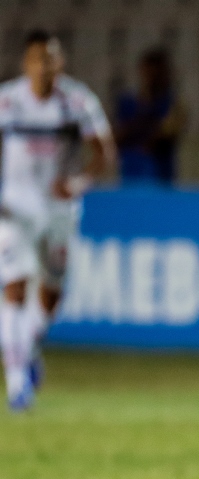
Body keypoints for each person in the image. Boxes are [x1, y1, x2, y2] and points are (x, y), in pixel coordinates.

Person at [0, 30, 116, 412]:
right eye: (37, 59)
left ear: (59, 63)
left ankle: (28, 346)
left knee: (51, 293)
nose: (44, 67)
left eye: (50, 59)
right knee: (14, 286)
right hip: (14, 207)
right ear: (26, 64)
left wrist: (79, 182)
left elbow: (104, 151)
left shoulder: (77, 100)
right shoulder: (8, 101)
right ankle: (17, 383)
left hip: (58, 210)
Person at [114, 47, 187, 184]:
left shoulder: (174, 105)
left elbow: (161, 137)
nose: (153, 77)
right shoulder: (127, 103)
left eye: (158, 73)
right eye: (149, 72)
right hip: (130, 174)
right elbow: (116, 138)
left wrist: (138, 129)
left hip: (160, 176)